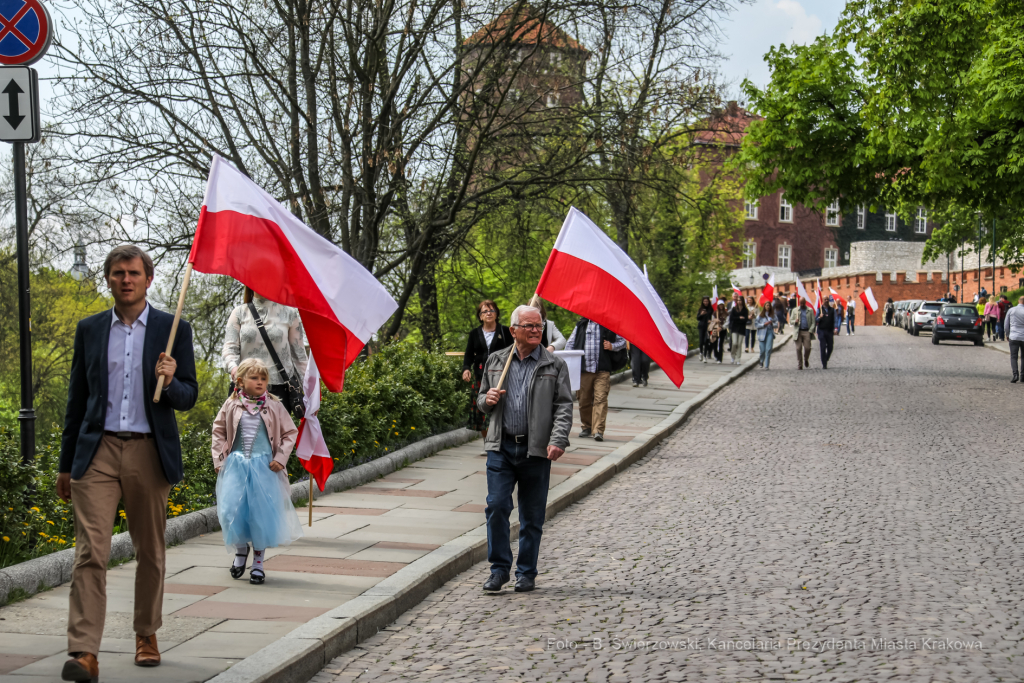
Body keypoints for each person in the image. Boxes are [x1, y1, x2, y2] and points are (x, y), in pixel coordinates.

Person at [58, 246, 198, 681]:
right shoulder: (91, 329)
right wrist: (66, 464)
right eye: (117, 273)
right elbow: (77, 399)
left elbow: (189, 397)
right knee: (90, 553)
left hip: (148, 452)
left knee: (150, 551)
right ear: (109, 280)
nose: (125, 279)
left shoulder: (173, 329)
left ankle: (146, 633)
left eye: (133, 273)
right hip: (97, 452)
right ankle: (84, 652)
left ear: (148, 279)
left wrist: (172, 380)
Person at [478, 305, 572, 593]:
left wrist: (558, 439)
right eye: (529, 326)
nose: (536, 330)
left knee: (532, 516)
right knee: (496, 507)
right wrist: (487, 399)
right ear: (513, 330)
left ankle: (526, 572)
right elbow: (481, 400)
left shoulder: (553, 365)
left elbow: (564, 406)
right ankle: (499, 570)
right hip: (501, 448)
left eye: (539, 326)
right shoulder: (496, 361)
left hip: (535, 451)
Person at [211, 358, 302, 585]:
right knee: (232, 511)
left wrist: (281, 458)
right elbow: (218, 431)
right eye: (254, 378)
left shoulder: (274, 405)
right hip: (236, 466)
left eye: (263, 378)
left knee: (260, 515)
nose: (260, 382)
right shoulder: (231, 405)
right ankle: (241, 551)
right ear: (240, 381)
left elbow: (290, 433)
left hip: (264, 469)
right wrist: (220, 459)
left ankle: (259, 562)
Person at [222, 293, 308, 415]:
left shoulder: (290, 314)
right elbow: (229, 348)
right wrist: (233, 368)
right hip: (244, 389)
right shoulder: (239, 312)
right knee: (242, 433)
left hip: (278, 391)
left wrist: (310, 394)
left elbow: (299, 357)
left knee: (277, 434)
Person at [566, 317, 626, 442]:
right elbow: (570, 344)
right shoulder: (581, 325)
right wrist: (569, 360)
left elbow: (623, 341)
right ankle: (587, 426)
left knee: (601, 399)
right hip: (584, 370)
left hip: (602, 370)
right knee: (583, 400)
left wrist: (612, 346)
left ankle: (598, 430)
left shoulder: (609, 323)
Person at [462, 300, 513, 439]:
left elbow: (512, 352)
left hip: (501, 376)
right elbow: (468, 354)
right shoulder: (474, 334)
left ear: (497, 314)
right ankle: (487, 441)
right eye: (485, 311)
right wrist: (466, 369)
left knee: (499, 407)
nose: (488, 313)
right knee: (481, 409)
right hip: (480, 375)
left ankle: (499, 439)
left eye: (492, 311)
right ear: (480, 316)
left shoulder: (505, 331)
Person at [788, 300, 816, 370]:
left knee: (807, 348)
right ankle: (800, 364)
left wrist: (810, 331)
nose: (802, 304)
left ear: (805, 303)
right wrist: (795, 321)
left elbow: (813, 322)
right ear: (799, 303)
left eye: (803, 303)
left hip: (807, 331)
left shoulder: (810, 310)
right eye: (801, 303)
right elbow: (790, 321)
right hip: (798, 332)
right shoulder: (795, 310)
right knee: (798, 348)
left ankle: (806, 359)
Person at [1006, 296, 1024, 383]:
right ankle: (1023, 376)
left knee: (1014, 356)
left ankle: (1015, 374)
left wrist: (1007, 334)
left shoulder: (1011, 310)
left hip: (1013, 335)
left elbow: (1006, 324)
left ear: (1018, 301)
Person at [755, 304, 778, 370]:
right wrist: (763, 324)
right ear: (764, 306)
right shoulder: (760, 316)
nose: (768, 306)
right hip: (762, 333)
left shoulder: (773, 315)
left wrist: (772, 323)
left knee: (768, 349)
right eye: (766, 305)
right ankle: (761, 360)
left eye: (769, 305)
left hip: (770, 332)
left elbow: (776, 324)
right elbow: (756, 324)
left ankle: (766, 365)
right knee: (762, 350)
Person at [728, 295, 749, 364]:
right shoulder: (734, 309)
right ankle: (733, 356)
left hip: (742, 328)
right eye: (738, 300)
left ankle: (738, 358)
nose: (739, 301)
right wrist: (739, 318)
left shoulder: (745, 310)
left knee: (739, 344)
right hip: (734, 328)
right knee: (734, 343)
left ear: (743, 301)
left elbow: (745, 319)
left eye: (740, 300)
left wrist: (740, 319)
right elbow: (732, 318)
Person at [817, 299, 837, 369]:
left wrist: (836, 328)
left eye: (827, 299)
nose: (826, 300)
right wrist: (819, 317)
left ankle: (826, 358)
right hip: (821, 331)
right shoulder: (819, 310)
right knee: (823, 347)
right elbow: (815, 319)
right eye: (825, 299)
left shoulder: (832, 310)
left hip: (829, 331)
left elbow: (835, 319)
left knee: (830, 347)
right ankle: (824, 363)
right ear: (822, 301)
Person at [696, 297, 714, 363]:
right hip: (701, 326)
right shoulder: (700, 309)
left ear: (708, 302)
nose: (706, 302)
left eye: (707, 301)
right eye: (704, 301)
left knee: (706, 341)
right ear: (702, 302)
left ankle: (705, 356)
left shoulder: (710, 309)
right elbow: (698, 318)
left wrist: (710, 321)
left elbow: (712, 317)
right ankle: (701, 352)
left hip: (708, 327)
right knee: (701, 341)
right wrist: (701, 314)